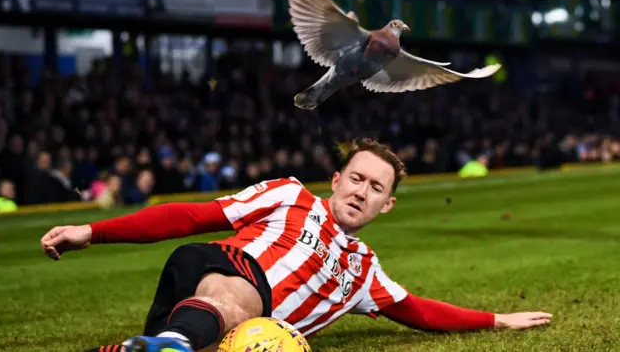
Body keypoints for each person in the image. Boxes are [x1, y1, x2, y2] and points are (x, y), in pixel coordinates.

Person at [40, 138, 553, 352]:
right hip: (220, 271)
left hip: (214, 327)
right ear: (335, 179)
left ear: (387, 207)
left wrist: (495, 320)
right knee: (238, 294)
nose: (361, 191)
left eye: (377, 188)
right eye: (356, 179)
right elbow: (194, 217)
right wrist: (94, 231)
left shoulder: (365, 273)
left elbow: (419, 311)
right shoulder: (288, 195)